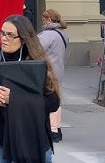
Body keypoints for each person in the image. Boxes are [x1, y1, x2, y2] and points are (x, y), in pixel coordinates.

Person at [0, 15, 60, 163]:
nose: (3, 38)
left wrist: (13, 98)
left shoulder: (36, 61)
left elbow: (53, 102)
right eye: (2, 33)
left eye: (10, 35)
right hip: (0, 136)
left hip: (30, 137)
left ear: (23, 39)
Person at [38, 9, 69, 143]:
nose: (42, 21)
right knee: (56, 99)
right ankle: (57, 129)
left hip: (48, 72)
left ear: (49, 20)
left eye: (43, 19)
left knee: (49, 100)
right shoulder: (63, 33)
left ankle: (53, 130)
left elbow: (36, 49)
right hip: (58, 70)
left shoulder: (48, 35)